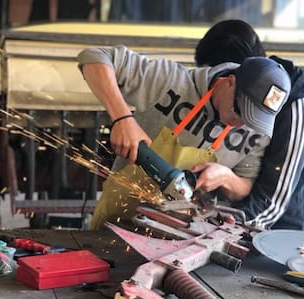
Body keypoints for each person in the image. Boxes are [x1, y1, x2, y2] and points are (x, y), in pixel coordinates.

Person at [77, 45, 291, 230]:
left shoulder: (256, 131)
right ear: (230, 81)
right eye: (238, 111)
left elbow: (245, 186)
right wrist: (122, 118)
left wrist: (226, 177)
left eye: (251, 120)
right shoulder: (170, 81)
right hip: (118, 219)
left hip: (186, 236)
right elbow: (94, 57)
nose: (240, 124)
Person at [194, 19, 304, 233]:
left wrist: (219, 230)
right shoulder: (242, 92)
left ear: (238, 76)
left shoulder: (296, 108)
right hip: (241, 220)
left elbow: (271, 206)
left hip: (283, 235)